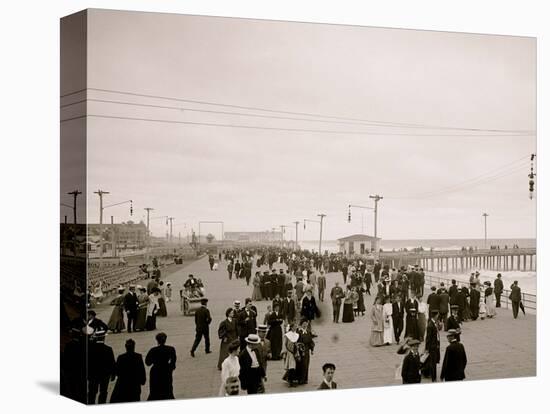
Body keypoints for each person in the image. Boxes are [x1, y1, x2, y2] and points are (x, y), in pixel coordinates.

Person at [110, 339, 146, 403]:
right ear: (134, 347)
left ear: (125, 347)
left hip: (123, 385)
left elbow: (117, 371)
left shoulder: (121, 357)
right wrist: (142, 380)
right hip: (135, 385)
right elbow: (142, 370)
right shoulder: (138, 356)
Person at [145, 332, 177, 400]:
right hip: (166, 370)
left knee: (155, 390)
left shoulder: (153, 350)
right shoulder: (171, 349)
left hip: (155, 371)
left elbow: (148, 362)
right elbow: (173, 361)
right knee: (167, 390)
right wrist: (170, 368)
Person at [87, 330, 115, 404]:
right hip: (105, 375)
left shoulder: (90, 349)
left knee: (92, 393)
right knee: (103, 392)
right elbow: (112, 363)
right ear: (103, 338)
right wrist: (113, 374)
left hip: (93, 374)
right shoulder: (108, 349)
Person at [296, 319, 315, 385]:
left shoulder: (308, 332)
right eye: (303, 323)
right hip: (300, 351)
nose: (305, 325)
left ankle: (305, 379)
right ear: (301, 325)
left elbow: (311, 341)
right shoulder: (298, 332)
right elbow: (296, 342)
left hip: (306, 351)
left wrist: (312, 348)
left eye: (306, 323)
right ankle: (299, 379)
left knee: (306, 364)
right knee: (300, 365)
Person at [424, 310, 440, 382]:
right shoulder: (430, 325)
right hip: (432, 347)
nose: (438, 316)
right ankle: (434, 378)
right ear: (435, 315)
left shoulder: (434, 323)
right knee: (433, 363)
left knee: (433, 361)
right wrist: (427, 348)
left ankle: (431, 375)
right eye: (438, 315)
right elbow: (428, 338)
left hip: (435, 345)